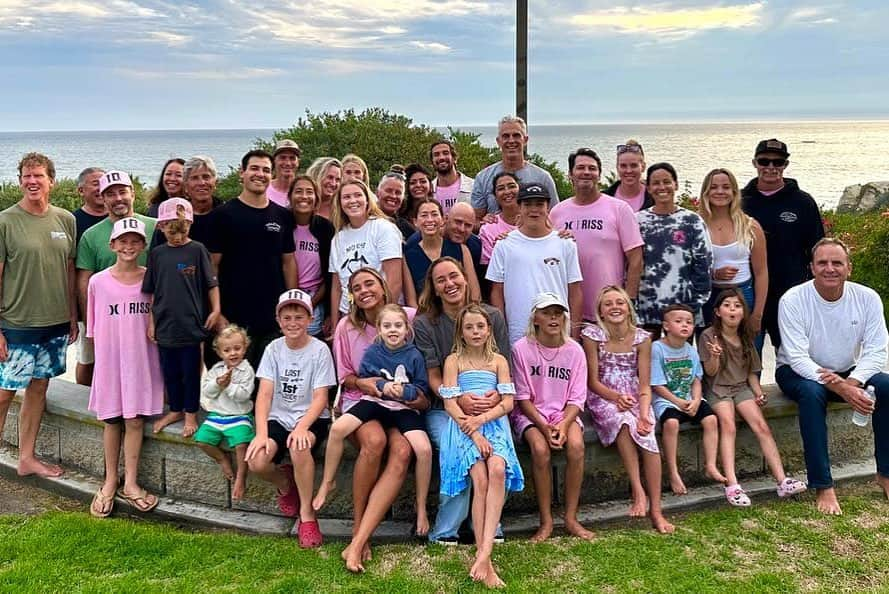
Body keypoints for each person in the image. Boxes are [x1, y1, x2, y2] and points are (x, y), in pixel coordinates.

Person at [775, 238, 889, 515]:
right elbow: (798, 357)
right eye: (822, 263)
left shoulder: (867, 297)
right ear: (812, 268)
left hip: (847, 372)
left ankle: (885, 473)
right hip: (797, 370)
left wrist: (851, 383)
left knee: (886, 386)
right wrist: (840, 387)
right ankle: (823, 485)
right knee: (812, 395)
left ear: (849, 268)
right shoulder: (793, 299)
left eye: (837, 263)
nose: (830, 269)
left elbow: (877, 350)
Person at [332, 268, 425, 572]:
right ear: (352, 297)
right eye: (356, 288)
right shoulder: (347, 327)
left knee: (402, 450)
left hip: (400, 405)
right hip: (365, 402)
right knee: (374, 441)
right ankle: (361, 531)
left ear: (383, 287)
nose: (364, 290)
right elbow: (344, 376)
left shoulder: (408, 317)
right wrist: (364, 383)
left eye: (369, 283)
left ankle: (357, 542)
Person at [413, 256, 511, 546]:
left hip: (490, 406)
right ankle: (447, 528)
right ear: (435, 288)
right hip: (445, 406)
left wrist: (495, 397)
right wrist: (457, 397)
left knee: (496, 455)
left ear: (465, 279)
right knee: (457, 448)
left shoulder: (492, 317)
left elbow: (504, 365)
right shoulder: (425, 324)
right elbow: (433, 376)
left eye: (453, 276)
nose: (449, 283)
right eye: (441, 280)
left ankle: (488, 521)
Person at [314, 304, 432, 536]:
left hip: (402, 408)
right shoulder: (373, 352)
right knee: (338, 428)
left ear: (407, 328)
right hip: (376, 403)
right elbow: (365, 379)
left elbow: (421, 388)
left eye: (398, 325)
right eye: (387, 326)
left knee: (424, 449)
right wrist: (381, 385)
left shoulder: (414, 355)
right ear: (379, 328)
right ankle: (328, 481)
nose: (393, 330)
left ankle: (421, 508)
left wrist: (405, 393)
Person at [0, 153, 77, 478]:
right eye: (26, 176)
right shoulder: (5, 221)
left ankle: (26, 458)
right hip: (16, 324)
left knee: (38, 389)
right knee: (3, 393)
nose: (32, 181)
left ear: (51, 180)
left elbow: (70, 270)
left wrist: (73, 316)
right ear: (20, 181)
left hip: (55, 323)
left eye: (39, 176)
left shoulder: (65, 220)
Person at [439, 304, 523, 589]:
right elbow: (450, 404)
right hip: (464, 427)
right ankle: (482, 554)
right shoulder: (454, 361)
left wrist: (485, 418)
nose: (475, 332)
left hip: (494, 424)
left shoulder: (498, 361)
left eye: (480, 327)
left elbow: (509, 402)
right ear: (461, 332)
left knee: (497, 469)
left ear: (489, 330)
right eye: (469, 327)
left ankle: (484, 554)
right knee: (480, 477)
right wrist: (474, 433)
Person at [245, 289, 335, 547]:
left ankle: (307, 514)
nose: (293, 323)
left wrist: (303, 427)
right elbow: (264, 394)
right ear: (278, 320)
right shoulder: (273, 349)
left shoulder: (319, 350)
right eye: (287, 317)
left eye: (299, 317)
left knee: (299, 446)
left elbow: (321, 398)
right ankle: (286, 483)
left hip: (311, 416)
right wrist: (261, 433)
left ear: (309, 319)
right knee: (257, 460)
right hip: (280, 417)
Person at [700, 289, 806, 507]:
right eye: (727, 305)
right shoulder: (709, 336)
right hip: (717, 388)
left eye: (737, 305)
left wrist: (758, 393)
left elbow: (751, 372)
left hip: (741, 387)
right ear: (718, 311)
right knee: (728, 425)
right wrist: (714, 356)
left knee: (762, 426)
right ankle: (732, 485)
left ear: (743, 312)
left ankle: (782, 480)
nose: (732, 309)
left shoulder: (746, 335)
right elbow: (709, 372)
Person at [86, 217, 163, 517]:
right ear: (112, 245)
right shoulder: (98, 282)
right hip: (111, 361)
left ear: (143, 246)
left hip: (142, 361)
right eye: (123, 241)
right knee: (111, 420)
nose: (129, 246)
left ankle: (130, 483)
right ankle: (109, 481)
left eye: (135, 241)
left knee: (134, 421)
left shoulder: (151, 280)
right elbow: (94, 328)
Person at [583, 286, 673, 533]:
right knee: (623, 421)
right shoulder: (593, 335)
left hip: (634, 393)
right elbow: (592, 381)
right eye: (608, 303)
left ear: (628, 307)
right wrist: (614, 397)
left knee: (647, 434)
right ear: (600, 310)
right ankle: (638, 490)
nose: (615, 307)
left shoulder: (642, 338)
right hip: (604, 395)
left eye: (620, 303)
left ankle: (657, 509)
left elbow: (644, 384)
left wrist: (644, 414)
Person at [510, 292, 594, 542]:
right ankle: (545, 520)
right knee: (540, 448)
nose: (553, 318)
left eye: (558, 313)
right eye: (546, 313)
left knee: (577, 446)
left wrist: (564, 424)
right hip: (532, 414)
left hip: (564, 414)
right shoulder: (521, 348)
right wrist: (545, 426)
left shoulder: (575, 351)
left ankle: (570, 517)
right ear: (535, 318)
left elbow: (577, 398)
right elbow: (523, 398)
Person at [205, 150, 298, 370]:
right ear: (242, 173)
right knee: (234, 390)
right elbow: (211, 267)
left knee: (267, 385)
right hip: (233, 320)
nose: (260, 174)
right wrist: (217, 313)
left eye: (266, 170)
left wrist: (292, 306)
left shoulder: (282, 216)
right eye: (254, 168)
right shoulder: (222, 215)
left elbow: (289, 263)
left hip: (272, 318)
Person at [143, 198, 220, 436]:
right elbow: (152, 292)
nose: (176, 236)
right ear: (161, 227)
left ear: (189, 225)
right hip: (165, 325)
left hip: (191, 324)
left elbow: (211, 284)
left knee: (190, 372)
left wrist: (216, 310)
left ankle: (190, 413)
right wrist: (151, 322)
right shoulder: (156, 254)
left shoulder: (197, 250)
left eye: (182, 230)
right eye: (170, 230)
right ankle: (175, 409)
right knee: (170, 372)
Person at [741, 139, 824, 351]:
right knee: (747, 357)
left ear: (785, 165)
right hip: (749, 292)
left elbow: (817, 249)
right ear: (754, 163)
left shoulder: (803, 202)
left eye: (777, 162)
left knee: (792, 355)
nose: (770, 167)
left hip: (791, 293)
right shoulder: (740, 202)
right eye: (764, 161)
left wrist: (818, 290)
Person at [76, 170, 157, 385]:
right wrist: (89, 323)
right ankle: (90, 409)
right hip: (107, 318)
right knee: (91, 362)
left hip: (146, 315)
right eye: (111, 194)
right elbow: (84, 279)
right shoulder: (91, 235)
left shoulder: (155, 227)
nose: (118, 198)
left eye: (123, 191)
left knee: (153, 366)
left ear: (133, 193)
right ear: (102, 198)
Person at [550, 148, 643, 323]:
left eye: (592, 168)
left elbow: (636, 258)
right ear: (570, 174)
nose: (586, 172)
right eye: (580, 168)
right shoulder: (557, 212)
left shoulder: (619, 209)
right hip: (567, 310)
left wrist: (628, 300)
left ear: (599, 175)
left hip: (609, 311)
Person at [487, 184, 583, 344]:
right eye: (528, 204)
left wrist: (574, 333)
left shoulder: (566, 244)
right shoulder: (504, 244)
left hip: (558, 332)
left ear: (548, 208)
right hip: (518, 334)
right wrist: (501, 332)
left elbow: (575, 291)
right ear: (519, 207)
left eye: (539, 204)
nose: (534, 210)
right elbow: (497, 291)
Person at [651, 304, 725, 495]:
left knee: (711, 419)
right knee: (672, 424)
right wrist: (678, 402)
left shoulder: (690, 350)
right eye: (679, 321)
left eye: (689, 322)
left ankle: (710, 465)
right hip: (667, 400)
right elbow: (656, 385)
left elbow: (696, 380)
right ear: (666, 325)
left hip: (690, 398)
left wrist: (697, 400)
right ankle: (673, 472)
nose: (685, 325)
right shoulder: (657, 348)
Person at [636, 163, 712, 339]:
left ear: (676, 184)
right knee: (648, 362)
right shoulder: (638, 220)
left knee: (680, 363)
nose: (662, 187)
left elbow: (704, 264)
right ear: (648, 188)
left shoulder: (692, 221)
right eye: (655, 183)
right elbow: (630, 264)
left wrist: (694, 304)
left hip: (683, 310)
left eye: (666, 182)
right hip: (648, 309)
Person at [698, 168, 768, 351]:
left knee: (748, 351)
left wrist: (757, 314)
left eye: (726, 187)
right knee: (711, 354)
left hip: (743, 294)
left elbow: (761, 273)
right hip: (709, 296)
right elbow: (688, 268)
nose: (720, 192)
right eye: (713, 187)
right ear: (706, 192)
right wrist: (712, 273)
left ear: (734, 192)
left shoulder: (750, 226)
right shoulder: (697, 225)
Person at [328, 180, 403, 329]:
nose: (353, 200)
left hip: (379, 313)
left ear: (367, 200)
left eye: (357, 195)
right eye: (346, 197)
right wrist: (336, 324)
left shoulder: (382, 228)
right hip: (350, 315)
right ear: (340, 203)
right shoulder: (338, 238)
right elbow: (336, 287)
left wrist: (386, 319)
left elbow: (394, 280)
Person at [195, 324, 255, 501]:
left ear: (244, 348)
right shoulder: (216, 370)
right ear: (220, 353)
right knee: (202, 440)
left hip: (240, 415)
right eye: (227, 350)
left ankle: (241, 477)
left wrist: (228, 386)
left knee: (241, 444)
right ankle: (222, 459)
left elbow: (243, 396)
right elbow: (207, 391)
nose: (233, 353)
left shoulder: (247, 370)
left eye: (237, 348)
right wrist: (217, 384)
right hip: (217, 415)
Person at [470, 115, 559, 220]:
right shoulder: (483, 178)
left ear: (525, 140)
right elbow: (475, 220)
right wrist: (483, 222)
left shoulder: (543, 178)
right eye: (506, 136)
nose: (511, 140)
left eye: (516, 135)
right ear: (498, 141)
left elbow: (555, 218)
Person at [404, 198, 480, 301]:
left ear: (443, 219)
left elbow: (475, 294)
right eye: (424, 215)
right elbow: (411, 301)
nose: (430, 219)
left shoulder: (463, 249)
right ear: (415, 222)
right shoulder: (409, 254)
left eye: (434, 214)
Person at [73, 166, 107, 387]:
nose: (100, 188)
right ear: (80, 190)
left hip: (118, 303)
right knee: (87, 358)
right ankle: (84, 400)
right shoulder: (72, 221)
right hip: (87, 305)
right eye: (95, 183)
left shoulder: (120, 219)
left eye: (103, 183)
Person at [289, 175, 335, 338]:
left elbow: (329, 274)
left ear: (316, 198)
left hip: (314, 298)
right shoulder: (282, 224)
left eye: (309, 192)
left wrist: (312, 303)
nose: (304, 196)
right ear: (290, 196)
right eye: (298, 191)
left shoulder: (325, 228)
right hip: (285, 298)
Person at [478, 172, 519, 268]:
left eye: (511, 186)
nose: (507, 191)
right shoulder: (487, 230)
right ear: (495, 196)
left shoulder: (534, 223)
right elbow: (489, 268)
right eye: (501, 189)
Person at [182, 155, 223, 247]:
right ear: (185, 186)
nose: (201, 183)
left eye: (206, 177)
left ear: (215, 182)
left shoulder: (227, 214)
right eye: (195, 178)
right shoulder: (175, 215)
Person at [604, 140, 653, 212]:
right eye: (623, 166)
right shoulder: (604, 199)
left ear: (643, 167)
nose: (628, 171)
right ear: (617, 167)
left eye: (634, 165)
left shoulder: (655, 198)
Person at [430, 139, 474, 217]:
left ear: (454, 158)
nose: (441, 157)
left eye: (445, 153)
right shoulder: (428, 191)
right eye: (436, 154)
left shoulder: (474, 186)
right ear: (432, 162)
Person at [376, 170, 416, 240]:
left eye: (398, 193)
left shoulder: (406, 229)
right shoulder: (363, 221)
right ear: (377, 193)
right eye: (388, 191)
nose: (393, 196)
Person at [267, 139, 301, 208]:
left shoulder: (305, 191)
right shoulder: (264, 189)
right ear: (274, 161)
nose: (288, 163)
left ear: (298, 162)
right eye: (282, 158)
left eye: (292, 158)